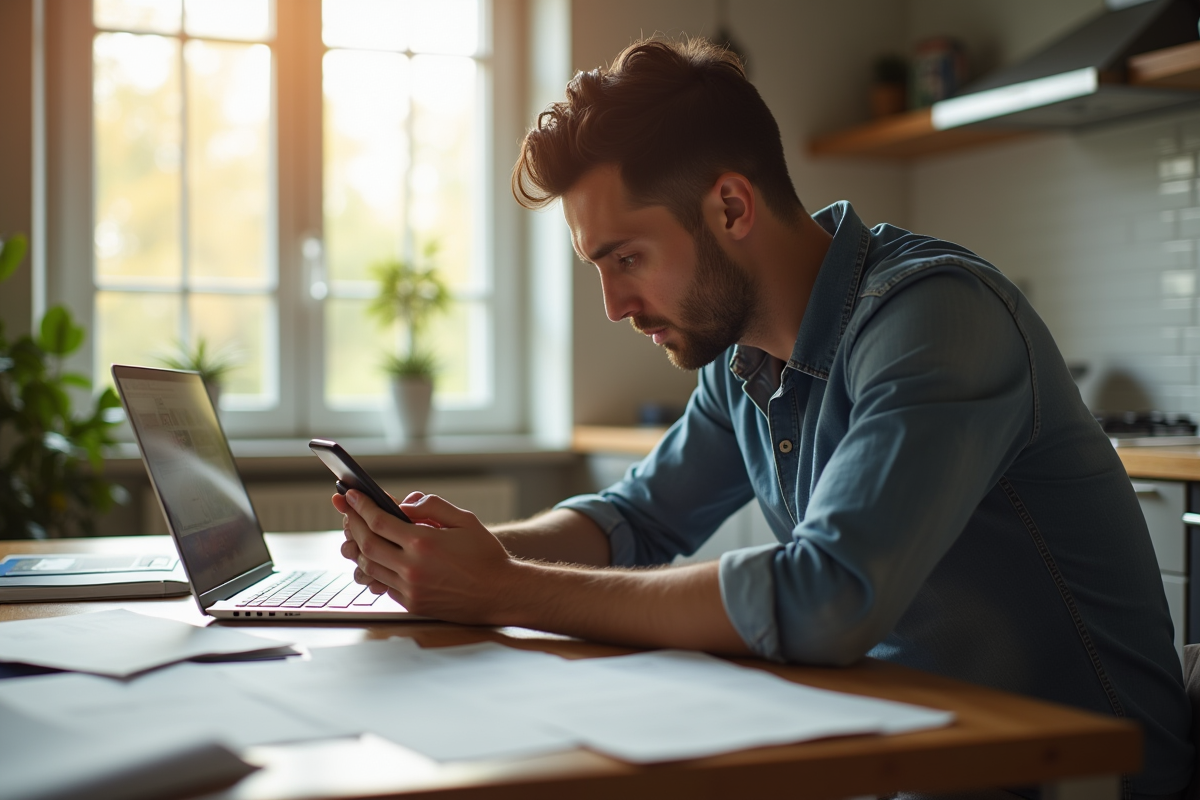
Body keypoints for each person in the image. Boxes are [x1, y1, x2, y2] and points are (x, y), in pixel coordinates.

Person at [332, 37, 1191, 798]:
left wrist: (502, 589)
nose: (613, 304)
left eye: (626, 258)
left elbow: (829, 597)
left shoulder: (934, 316)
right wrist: (447, 557)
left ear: (731, 208)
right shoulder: (742, 355)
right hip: (916, 757)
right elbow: (634, 519)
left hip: (1079, 779)